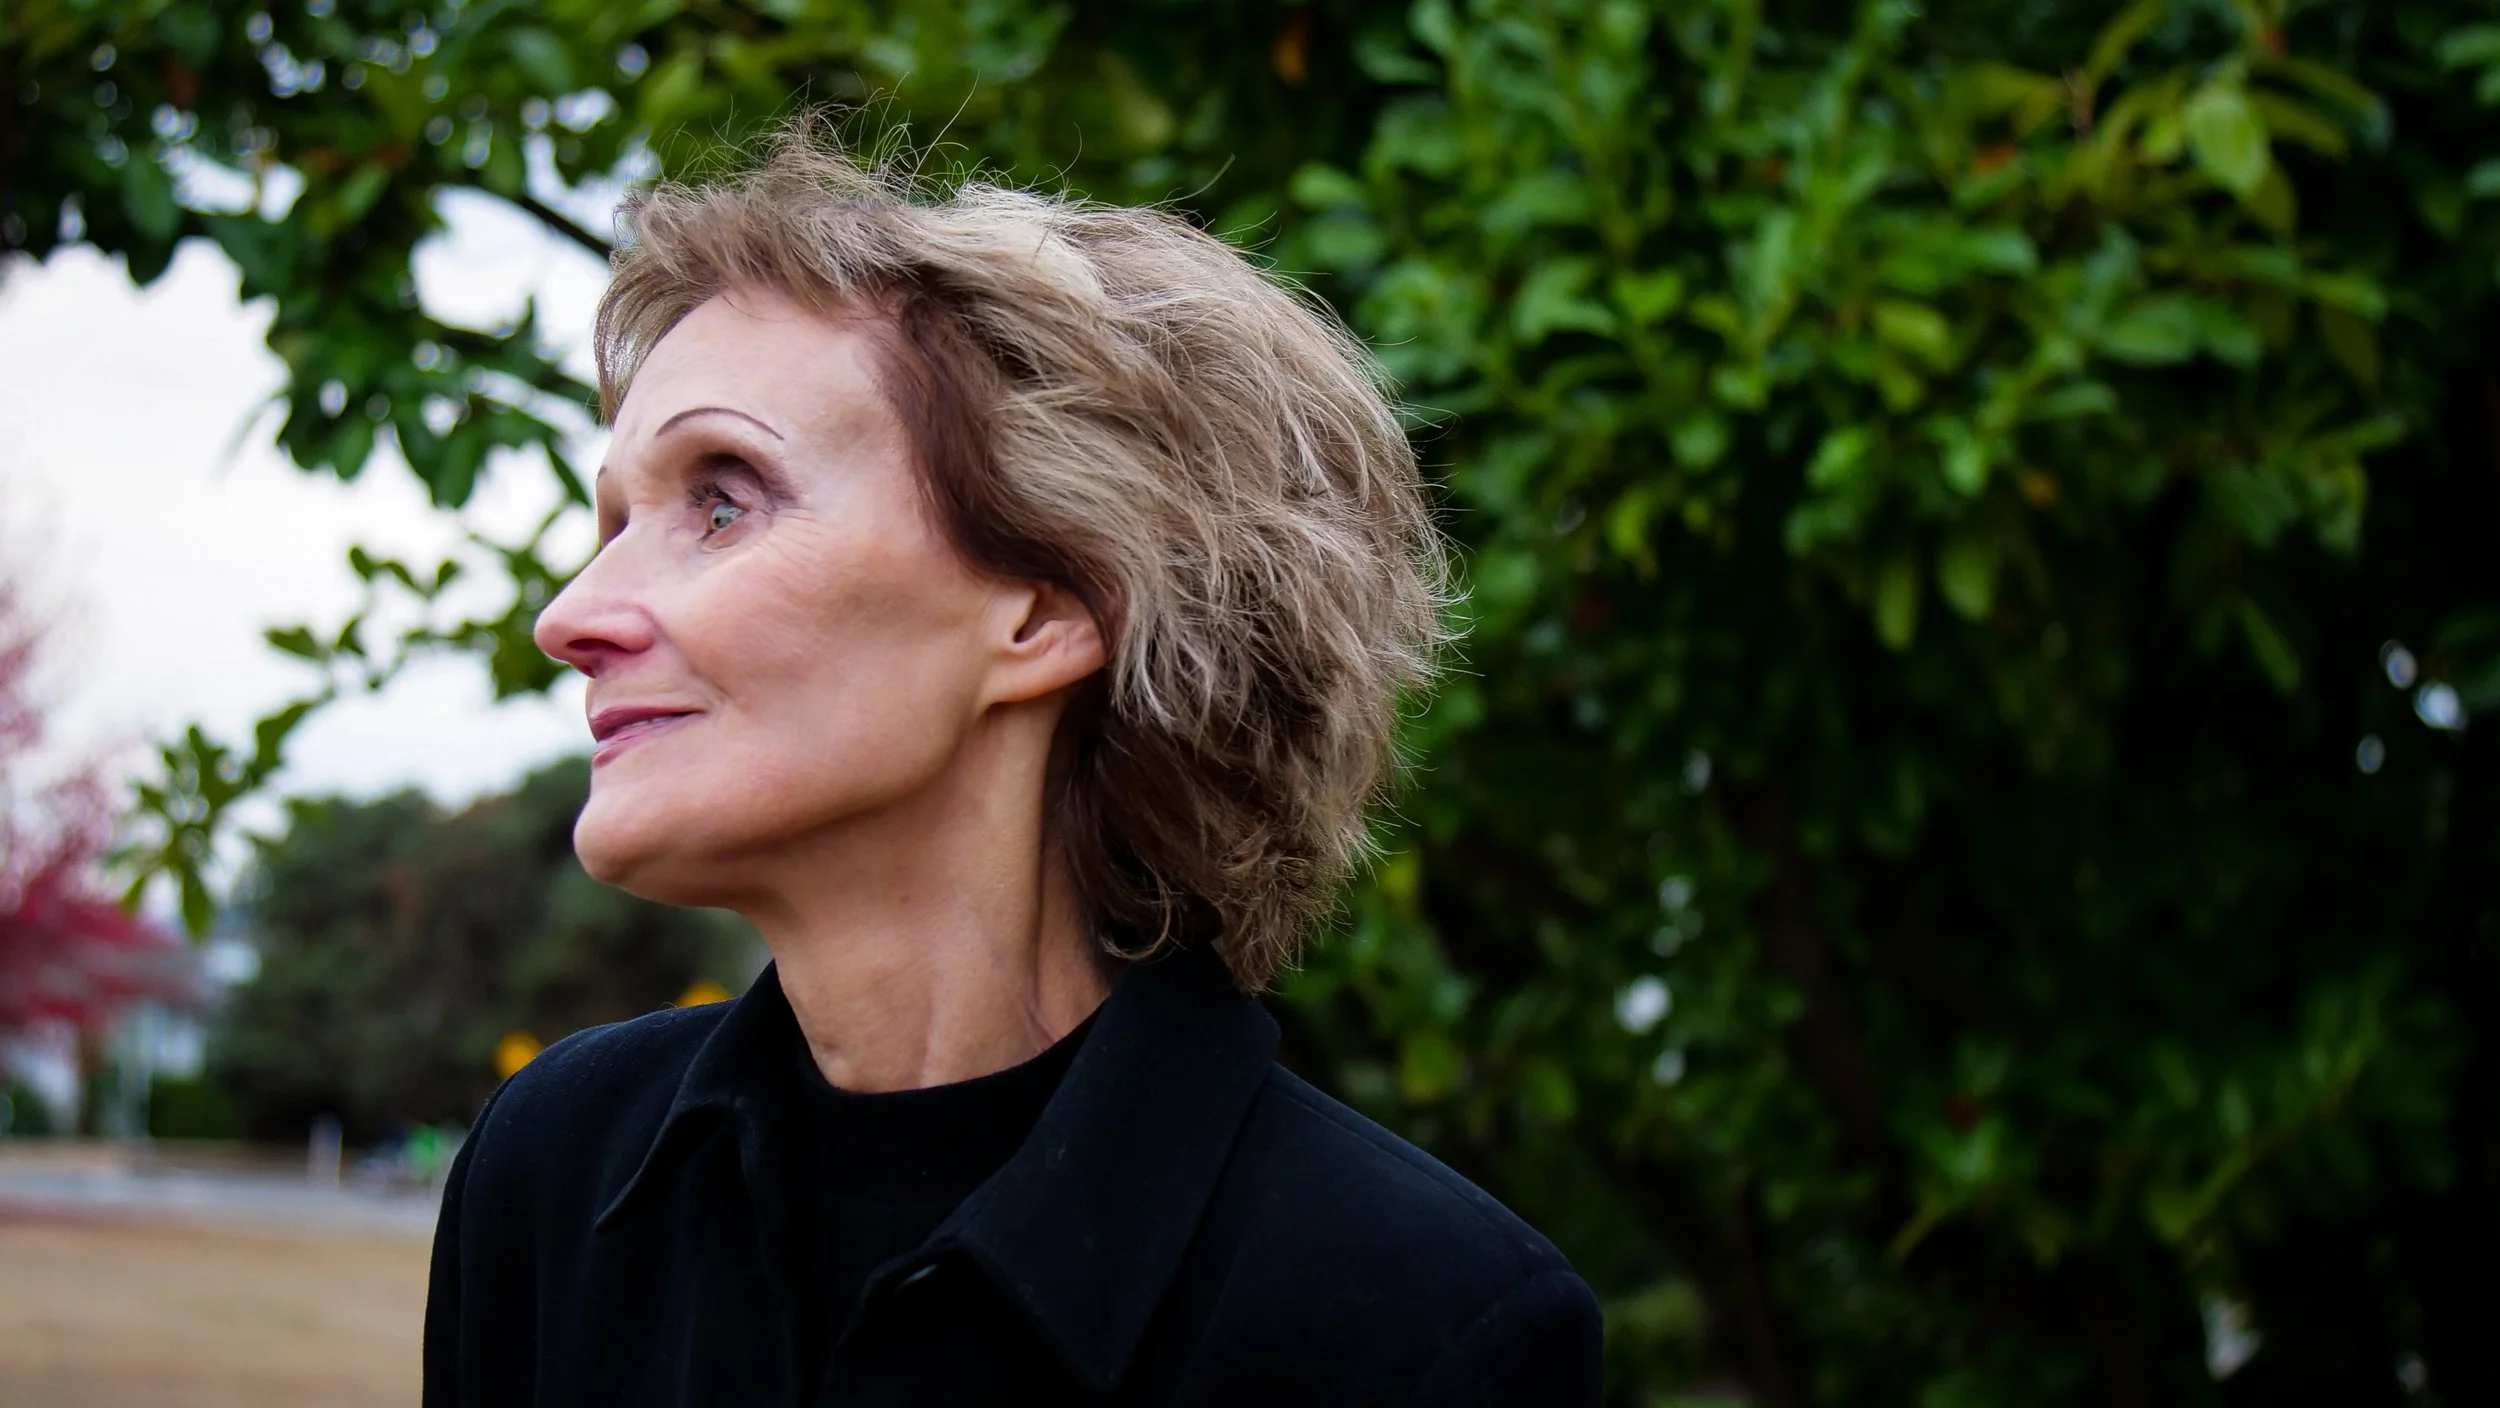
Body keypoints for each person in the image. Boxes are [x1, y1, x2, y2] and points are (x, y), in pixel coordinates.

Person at [422, 127, 1602, 1406]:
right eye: (612, 521)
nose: (571, 615)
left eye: (722, 500)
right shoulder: (553, 1174)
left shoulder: (1421, 1324)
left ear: (1049, 607)